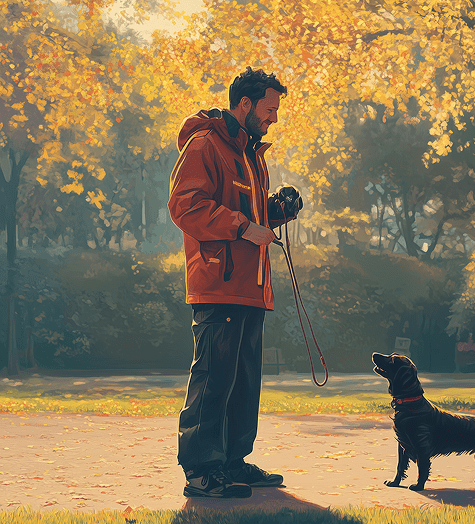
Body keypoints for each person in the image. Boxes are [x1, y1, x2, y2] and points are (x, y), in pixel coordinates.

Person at [168, 67, 303, 498]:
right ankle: (201, 471)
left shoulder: (250, 155)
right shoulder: (205, 144)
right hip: (218, 282)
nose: (274, 118)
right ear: (244, 104)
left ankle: (233, 462)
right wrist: (245, 226)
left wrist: (277, 210)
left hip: (253, 285)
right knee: (213, 378)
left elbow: (251, 214)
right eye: (269, 109)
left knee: (243, 381)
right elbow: (186, 206)